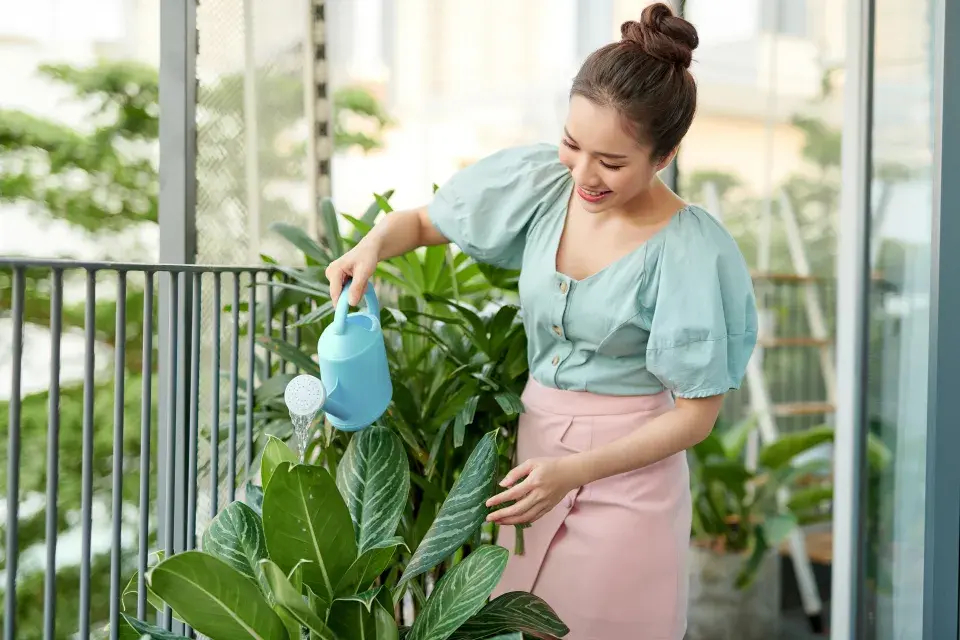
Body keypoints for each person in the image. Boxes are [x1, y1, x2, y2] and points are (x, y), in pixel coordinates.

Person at [325, 4, 757, 638]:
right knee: (516, 621)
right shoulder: (544, 184)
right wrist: (369, 247)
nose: (583, 174)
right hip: (536, 455)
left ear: (664, 156)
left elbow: (696, 417)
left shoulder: (691, 249)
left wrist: (574, 472)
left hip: (626, 478)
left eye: (611, 162)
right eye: (573, 144)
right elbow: (421, 222)